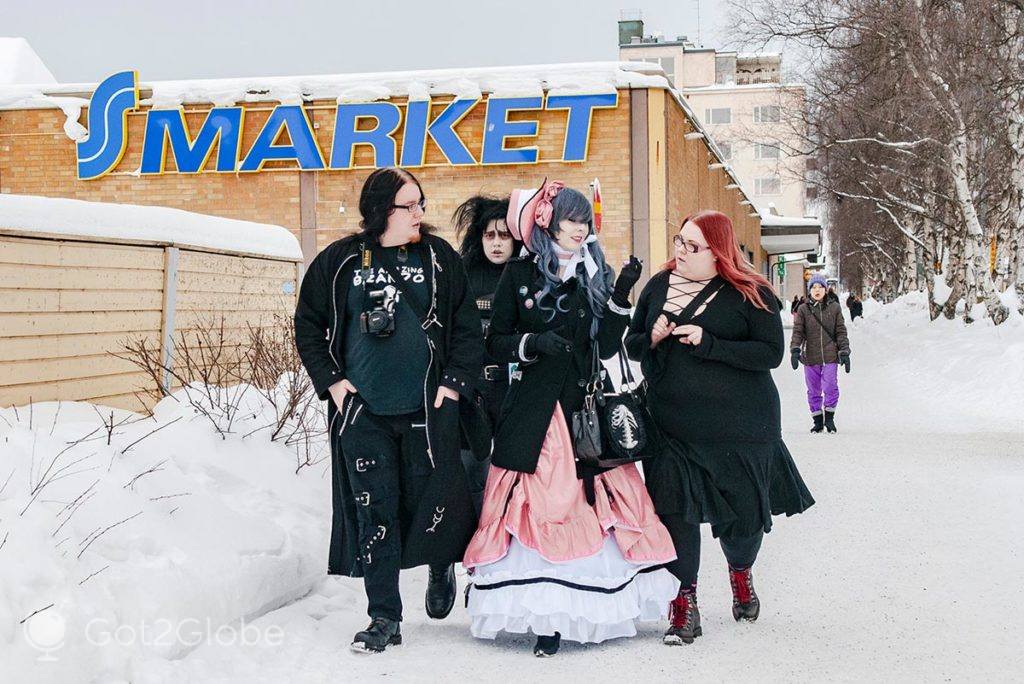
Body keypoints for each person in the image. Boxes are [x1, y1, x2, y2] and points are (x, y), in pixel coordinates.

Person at [462, 180, 678, 657]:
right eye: (572, 220)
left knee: (590, 502)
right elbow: (494, 342)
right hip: (534, 411)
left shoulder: (592, 271)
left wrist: (620, 296)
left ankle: (589, 608)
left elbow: (604, 347)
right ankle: (544, 619)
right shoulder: (518, 275)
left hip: (583, 409)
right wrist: (531, 344)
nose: (582, 229)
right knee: (540, 503)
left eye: (586, 222)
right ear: (548, 223)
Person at [294, 167, 487, 653]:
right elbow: (308, 325)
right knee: (373, 511)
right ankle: (384, 616)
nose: (420, 213)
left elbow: (465, 328)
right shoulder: (338, 261)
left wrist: (453, 386)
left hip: (428, 410)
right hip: (364, 415)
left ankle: (440, 564)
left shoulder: (440, 259)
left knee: (433, 502)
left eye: (421, 203)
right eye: (410, 205)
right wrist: (333, 385)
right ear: (382, 210)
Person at [625, 210, 815, 646]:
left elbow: (768, 353)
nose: (681, 252)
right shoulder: (657, 286)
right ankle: (684, 603)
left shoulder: (753, 292)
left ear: (718, 253)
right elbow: (632, 344)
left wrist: (709, 343)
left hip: (742, 427)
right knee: (676, 512)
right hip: (671, 425)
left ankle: (740, 570)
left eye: (693, 247)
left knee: (744, 523)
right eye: (679, 242)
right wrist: (651, 339)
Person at [453, 194, 519, 513]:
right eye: (489, 234)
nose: (495, 243)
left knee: (513, 477)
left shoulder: (525, 274)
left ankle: (504, 549)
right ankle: (468, 549)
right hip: (473, 389)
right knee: (469, 473)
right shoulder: (463, 275)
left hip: (514, 391)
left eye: (504, 235)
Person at [790, 273, 851, 433]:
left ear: (825, 289)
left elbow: (840, 331)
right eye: (814, 287)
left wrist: (844, 351)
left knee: (830, 386)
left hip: (830, 355)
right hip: (810, 357)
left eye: (820, 287)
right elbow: (798, 331)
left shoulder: (834, 308)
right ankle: (817, 420)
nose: (817, 290)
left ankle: (829, 419)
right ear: (810, 290)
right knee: (813, 389)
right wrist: (795, 349)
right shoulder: (803, 309)